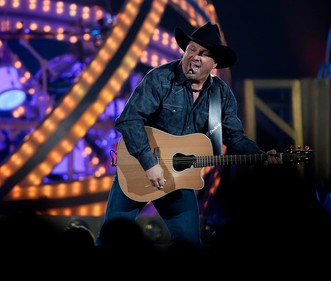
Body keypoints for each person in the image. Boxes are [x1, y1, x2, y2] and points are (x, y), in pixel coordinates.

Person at [96, 22, 283, 249]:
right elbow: (129, 120)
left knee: (190, 245)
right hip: (137, 170)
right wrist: (149, 163)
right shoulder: (160, 78)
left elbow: (234, 137)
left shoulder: (220, 94)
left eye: (203, 54)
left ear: (215, 64)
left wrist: (260, 155)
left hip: (179, 179)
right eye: (192, 49)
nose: (194, 57)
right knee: (109, 243)